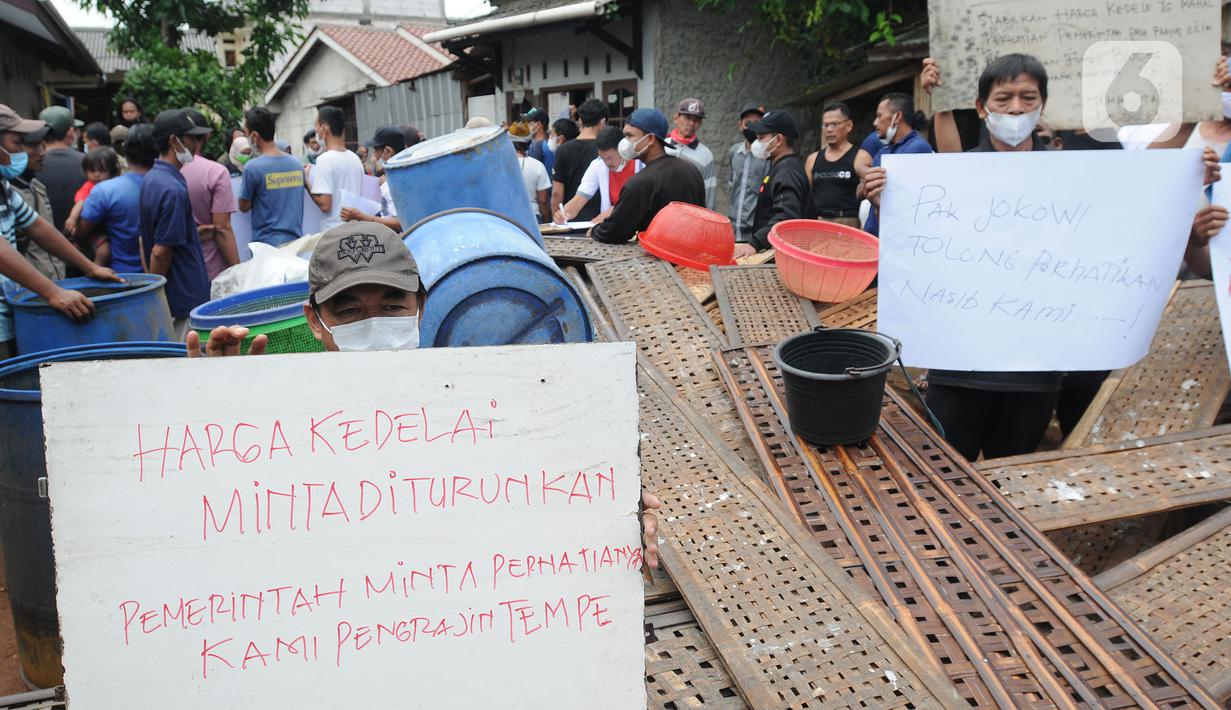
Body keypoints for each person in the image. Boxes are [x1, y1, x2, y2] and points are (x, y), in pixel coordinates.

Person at [185, 221, 662, 570]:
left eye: (392, 305)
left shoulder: (479, 406)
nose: (374, 324)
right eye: (349, 312)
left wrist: (615, 510)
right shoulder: (287, 422)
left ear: (420, 306)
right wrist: (220, 413)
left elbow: (543, 484)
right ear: (314, 320)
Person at [0, 104, 122, 358]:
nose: (22, 150)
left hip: (9, 314)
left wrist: (90, 267)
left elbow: (36, 225)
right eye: (17, 142)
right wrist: (53, 292)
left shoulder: (4, 188)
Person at [140, 108, 212, 337]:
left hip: (176, 299)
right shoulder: (172, 189)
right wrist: (156, 294)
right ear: (174, 141)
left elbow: (146, 240)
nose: (196, 145)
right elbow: (161, 252)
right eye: (192, 138)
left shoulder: (152, 179)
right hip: (183, 301)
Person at [588, 108, 705, 244]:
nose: (625, 142)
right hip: (691, 251)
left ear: (650, 139)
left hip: (658, 254)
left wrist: (595, 231)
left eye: (630, 136)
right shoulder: (691, 170)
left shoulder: (640, 183)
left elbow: (614, 232)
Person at [76, 124, 153, 274]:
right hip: (161, 273)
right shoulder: (170, 187)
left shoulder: (104, 191)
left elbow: (81, 234)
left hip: (119, 273)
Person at [739, 110, 816, 257]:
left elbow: (786, 216)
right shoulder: (781, 167)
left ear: (779, 139)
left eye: (761, 138)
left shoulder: (787, 172)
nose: (756, 143)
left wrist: (755, 243)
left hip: (786, 256)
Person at [859, 92, 933, 237]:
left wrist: (869, 185)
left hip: (896, 239)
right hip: (874, 236)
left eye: (879, 116)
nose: (875, 123)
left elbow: (889, 195)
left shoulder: (918, 148)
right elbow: (863, 188)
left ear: (897, 117)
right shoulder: (885, 149)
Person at [179, 109, 240, 281]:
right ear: (206, 136)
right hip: (213, 270)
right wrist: (239, 272)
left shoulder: (158, 175)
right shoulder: (215, 172)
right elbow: (222, 229)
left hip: (177, 270)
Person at [238, 106, 305, 248]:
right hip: (295, 245)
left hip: (266, 248)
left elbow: (243, 206)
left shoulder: (252, 168)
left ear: (254, 135)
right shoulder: (297, 164)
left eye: (246, 133)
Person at [9, 124, 67, 280]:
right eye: (33, 145)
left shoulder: (36, 186)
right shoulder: (9, 193)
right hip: (28, 286)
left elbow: (42, 230)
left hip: (55, 280)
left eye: (42, 145)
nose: (42, 152)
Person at [557, 125, 641, 224]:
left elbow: (641, 200)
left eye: (609, 158)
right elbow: (580, 198)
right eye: (602, 158)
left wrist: (614, 210)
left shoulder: (640, 164)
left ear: (622, 149)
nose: (607, 163)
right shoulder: (598, 165)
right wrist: (564, 214)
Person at [307, 106, 365, 232]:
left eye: (316, 127)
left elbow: (325, 205)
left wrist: (306, 182)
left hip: (333, 232)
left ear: (324, 129)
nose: (316, 132)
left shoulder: (324, 160)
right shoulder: (355, 159)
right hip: (354, 230)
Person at [805, 102, 861, 228]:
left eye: (834, 124)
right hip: (819, 222)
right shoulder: (812, 159)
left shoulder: (861, 157)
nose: (829, 129)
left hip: (849, 224)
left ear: (849, 125)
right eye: (826, 125)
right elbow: (806, 198)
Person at [34, 106, 85, 242]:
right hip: (82, 242)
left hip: (43, 243)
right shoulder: (89, 163)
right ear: (70, 132)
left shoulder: (31, 165)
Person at [340, 126, 403, 232]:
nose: (374, 157)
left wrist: (362, 217)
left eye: (376, 151)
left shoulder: (396, 182)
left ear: (388, 151)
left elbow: (399, 223)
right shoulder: (389, 178)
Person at [552, 98, 606, 221]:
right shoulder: (606, 150)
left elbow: (557, 192)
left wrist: (556, 218)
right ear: (602, 122)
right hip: (599, 219)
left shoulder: (563, 149)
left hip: (569, 217)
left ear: (580, 120)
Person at [728, 102, 770, 244]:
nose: (752, 127)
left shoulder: (768, 155)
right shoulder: (734, 152)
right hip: (733, 230)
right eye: (748, 123)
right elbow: (733, 188)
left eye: (756, 123)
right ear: (740, 125)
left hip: (756, 233)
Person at [666, 98, 717, 211]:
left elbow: (709, 194)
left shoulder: (705, 154)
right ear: (676, 118)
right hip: (660, 214)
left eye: (696, 120)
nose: (691, 123)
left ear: (701, 123)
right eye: (687, 117)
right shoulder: (662, 146)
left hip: (690, 215)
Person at [63, 147, 121, 244]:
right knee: (102, 249)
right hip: (97, 229)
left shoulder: (116, 185)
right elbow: (81, 202)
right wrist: (73, 218)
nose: (97, 174)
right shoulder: (89, 186)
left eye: (102, 170)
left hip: (114, 226)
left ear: (112, 171)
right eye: (92, 170)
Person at [509, 121, 550, 223]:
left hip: (505, 219)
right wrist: (546, 221)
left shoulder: (497, 166)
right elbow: (543, 200)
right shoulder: (538, 166)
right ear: (528, 143)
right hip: (532, 218)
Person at [525, 107, 554, 176]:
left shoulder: (537, 147)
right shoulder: (550, 143)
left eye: (528, 122)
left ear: (538, 125)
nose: (525, 125)